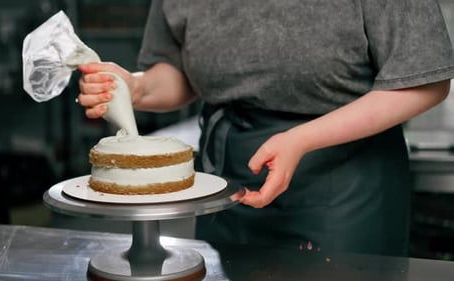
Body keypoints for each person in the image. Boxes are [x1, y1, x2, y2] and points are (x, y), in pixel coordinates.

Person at [77, 0, 454, 256]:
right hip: (228, 182)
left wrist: (302, 139)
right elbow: (180, 72)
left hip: (343, 182)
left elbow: (423, 82)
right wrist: (137, 87)